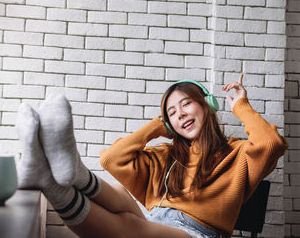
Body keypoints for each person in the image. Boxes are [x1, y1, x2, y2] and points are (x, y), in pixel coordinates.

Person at [16, 74, 288, 238]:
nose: (180, 113)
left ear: (207, 105)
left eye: (186, 104)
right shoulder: (168, 155)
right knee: (120, 195)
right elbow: (112, 159)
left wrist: (241, 105)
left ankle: (50, 184)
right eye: (172, 112)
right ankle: (68, 169)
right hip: (158, 221)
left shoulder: (238, 154)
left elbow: (271, 142)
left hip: (198, 233)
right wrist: (159, 126)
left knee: (130, 227)